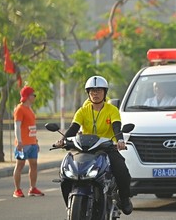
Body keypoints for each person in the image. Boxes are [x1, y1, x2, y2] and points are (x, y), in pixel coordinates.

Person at [54, 75, 133, 215]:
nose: (95, 94)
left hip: (106, 148)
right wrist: (63, 140)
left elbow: (116, 127)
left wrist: (119, 140)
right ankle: (70, 203)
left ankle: (125, 198)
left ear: (105, 93)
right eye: (92, 91)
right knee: (66, 173)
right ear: (88, 94)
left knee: (122, 169)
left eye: (98, 91)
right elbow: (73, 128)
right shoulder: (82, 111)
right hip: (84, 149)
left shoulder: (111, 110)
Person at [12, 86, 44, 198]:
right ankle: (17, 190)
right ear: (27, 96)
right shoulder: (19, 109)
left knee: (34, 165)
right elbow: (17, 126)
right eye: (33, 95)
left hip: (32, 143)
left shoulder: (30, 109)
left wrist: (36, 141)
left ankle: (33, 188)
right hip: (23, 143)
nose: (34, 97)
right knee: (20, 165)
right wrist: (19, 142)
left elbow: (31, 127)